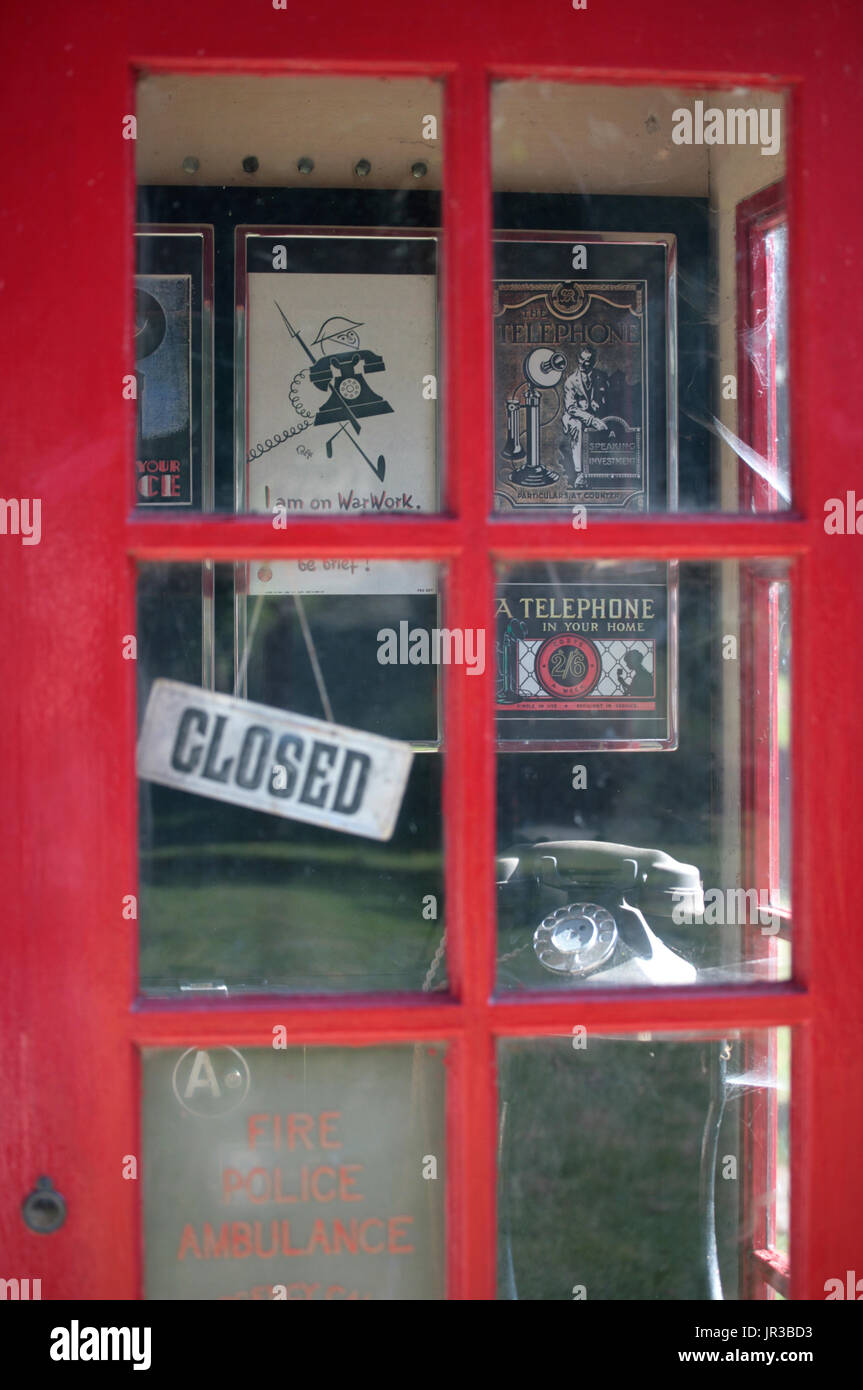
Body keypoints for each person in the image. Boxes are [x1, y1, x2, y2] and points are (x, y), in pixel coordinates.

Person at [560, 346, 608, 488]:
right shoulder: (570, 381)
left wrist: (599, 403)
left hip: (595, 416)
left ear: (593, 362)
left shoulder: (601, 377)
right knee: (577, 426)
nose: (582, 363)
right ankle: (580, 473)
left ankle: (605, 469)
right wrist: (592, 420)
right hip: (573, 417)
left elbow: (606, 398)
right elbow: (571, 408)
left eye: (587, 361)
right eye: (581, 359)